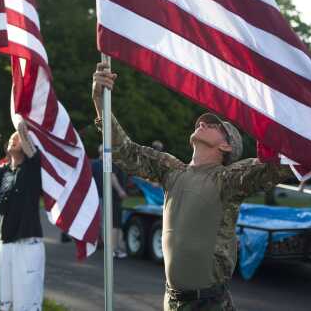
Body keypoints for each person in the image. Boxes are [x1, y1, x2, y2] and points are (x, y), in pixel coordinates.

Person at [92, 62, 293, 311]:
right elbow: (125, 150)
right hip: (173, 301)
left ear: (226, 147)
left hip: (209, 303)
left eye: (214, 125)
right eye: (203, 122)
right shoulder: (172, 171)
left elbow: (276, 166)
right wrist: (101, 101)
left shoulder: (227, 179)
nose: (203, 123)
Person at [0, 120, 45, 311]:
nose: (13, 140)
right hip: (5, 244)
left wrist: (20, 123)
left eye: (18, 139)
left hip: (28, 244)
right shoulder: (3, 171)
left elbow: (23, 130)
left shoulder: (32, 166)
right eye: (11, 138)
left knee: (26, 305)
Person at [91, 144, 128, 258]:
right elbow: (111, 177)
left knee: (109, 223)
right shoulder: (100, 164)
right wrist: (121, 191)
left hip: (107, 196)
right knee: (107, 223)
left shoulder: (106, 163)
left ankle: (108, 246)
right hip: (103, 196)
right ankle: (110, 248)